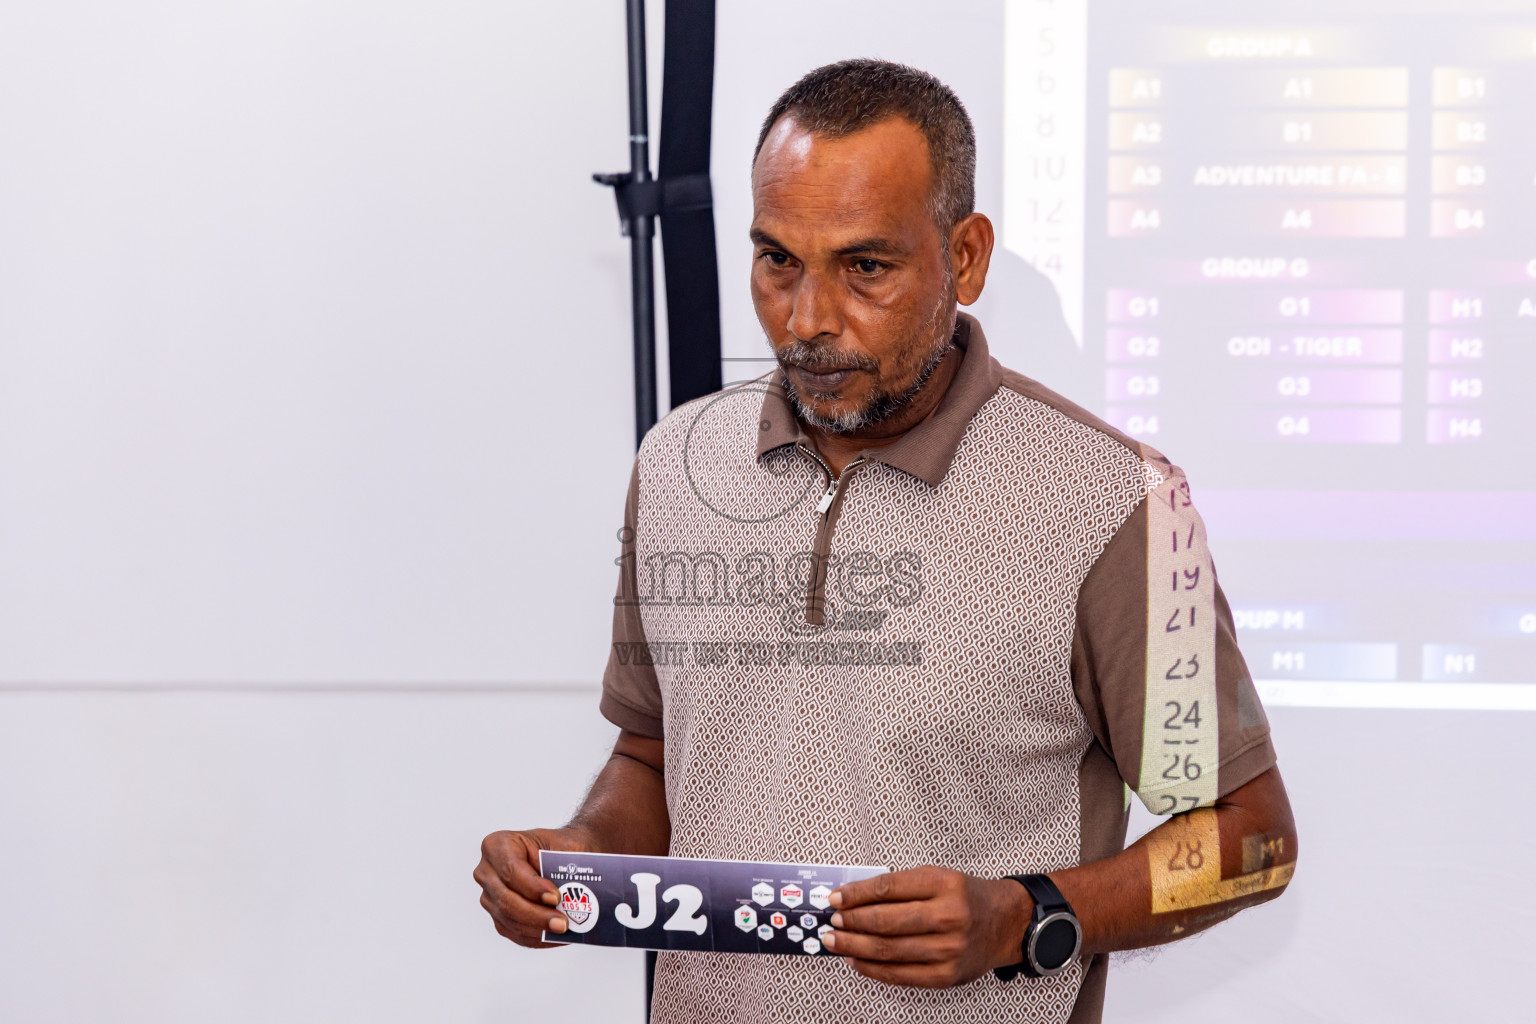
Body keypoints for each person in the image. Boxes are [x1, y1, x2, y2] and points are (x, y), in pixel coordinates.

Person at [475, 58, 1297, 1024]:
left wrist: (1027, 916)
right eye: (778, 260)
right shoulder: (674, 465)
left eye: (866, 267)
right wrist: (574, 861)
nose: (808, 321)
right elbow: (654, 760)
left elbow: (1254, 841)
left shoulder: (1117, 503)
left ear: (967, 257)